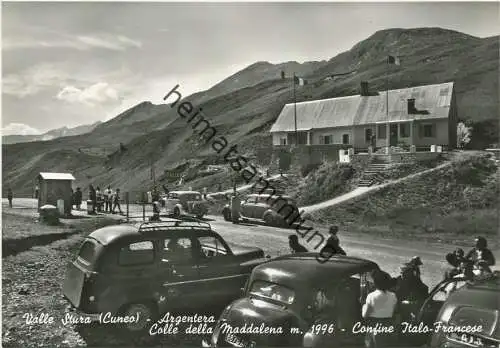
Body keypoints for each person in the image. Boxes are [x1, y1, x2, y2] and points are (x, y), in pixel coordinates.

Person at [362, 270, 398, 348]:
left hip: (374, 325)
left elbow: (365, 315)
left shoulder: (371, 296)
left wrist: (363, 305)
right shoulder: (393, 295)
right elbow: (394, 310)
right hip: (388, 325)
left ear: (375, 283)